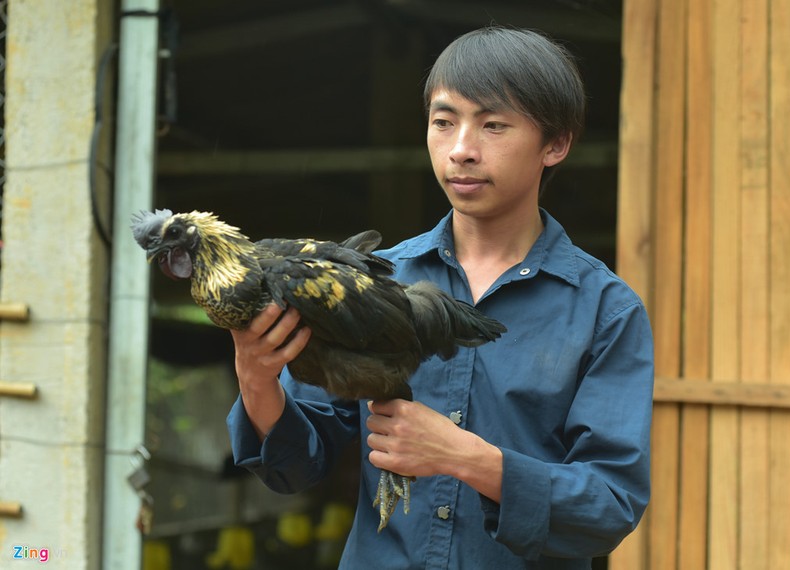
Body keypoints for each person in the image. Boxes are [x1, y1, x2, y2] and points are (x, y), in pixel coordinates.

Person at [227, 26, 654, 569]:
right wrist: (256, 380)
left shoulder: (605, 311)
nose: (461, 150)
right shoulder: (368, 282)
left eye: (493, 125)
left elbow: (608, 508)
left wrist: (466, 457)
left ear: (556, 144)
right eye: (443, 122)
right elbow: (296, 466)